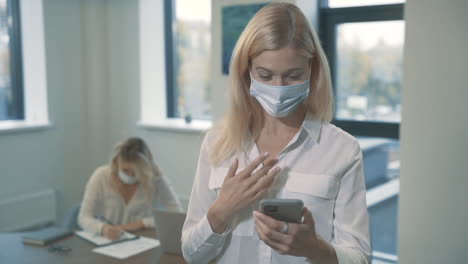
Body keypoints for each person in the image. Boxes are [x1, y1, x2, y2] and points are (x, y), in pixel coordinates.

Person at [181, 3, 370, 264]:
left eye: (293, 76)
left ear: (312, 71)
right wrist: (220, 213)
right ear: (246, 72)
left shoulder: (342, 150)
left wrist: (315, 248)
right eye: (265, 75)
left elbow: (360, 258)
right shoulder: (216, 145)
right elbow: (192, 256)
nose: (278, 89)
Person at [78, 137, 182, 240]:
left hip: (143, 241)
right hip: (109, 240)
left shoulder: (156, 179)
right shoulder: (101, 176)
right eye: (125, 170)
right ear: (116, 162)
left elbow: (177, 216)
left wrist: (143, 223)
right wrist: (103, 228)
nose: (130, 176)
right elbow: (83, 217)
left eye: (136, 172)